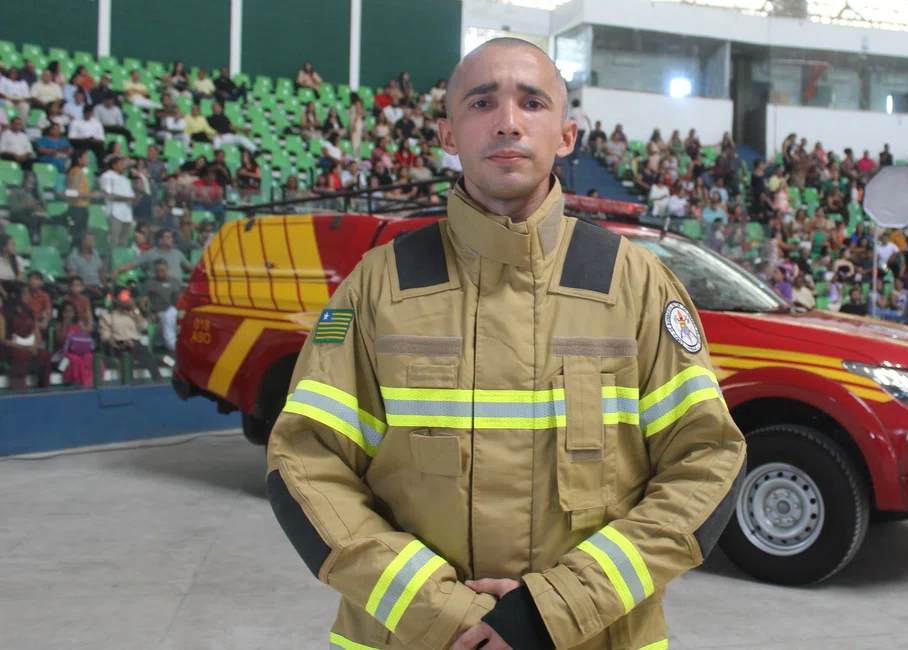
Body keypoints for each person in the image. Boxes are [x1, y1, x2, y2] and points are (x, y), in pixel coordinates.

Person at [264, 38, 745, 650]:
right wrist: (441, 613)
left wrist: (557, 609)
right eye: (482, 102)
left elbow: (708, 465)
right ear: (447, 133)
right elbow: (303, 466)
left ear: (566, 135)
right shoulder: (377, 286)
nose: (509, 122)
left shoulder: (635, 284)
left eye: (533, 102)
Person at [98, 288, 159, 381]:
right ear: (115, 299)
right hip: (118, 344)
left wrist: (134, 310)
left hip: (135, 343)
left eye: (128, 296)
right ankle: (128, 383)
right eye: (124, 296)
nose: (127, 299)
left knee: (147, 355)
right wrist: (115, 343)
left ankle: (158, 380)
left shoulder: (133, 313)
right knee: (127, 356)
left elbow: (143, 326)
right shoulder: (107, 315)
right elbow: (104, 336)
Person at [1, 284, 52, 392]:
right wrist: (23, 348)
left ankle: (44, 388)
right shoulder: (4, 312)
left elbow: (37, 334)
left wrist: (35, 346)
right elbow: (2, 339)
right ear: (16, 295)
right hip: (9, 348)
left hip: (28, 347)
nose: (28, 296)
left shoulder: (28, 311)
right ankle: (19, 389)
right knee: (20, 354)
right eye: (25, 293)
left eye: (28, 293)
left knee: (46, 355)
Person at [139, 259, 182, 354]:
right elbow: (142, 302)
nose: (160, 273)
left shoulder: (175, 282)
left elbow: (182, 298)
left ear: (167, 269)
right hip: (158, 313)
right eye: (157, 271)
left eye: (162, 270)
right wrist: (149, 314)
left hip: (175, 312)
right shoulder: (150, 283)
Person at [99, 156, 137, 257]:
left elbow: (133, 198)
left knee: (123, 244)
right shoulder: (107, 176)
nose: (124, 166)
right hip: (114, 213)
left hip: (127, 215)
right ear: (114, 165)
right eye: (121, 164)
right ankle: (108, 268)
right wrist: (127, 198)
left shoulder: (126, 180)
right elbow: (108, 195)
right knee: (113, 243)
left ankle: (118, 266)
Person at [54, 299, 94, 388]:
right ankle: (73, 382)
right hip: (63, 356)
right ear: (62, 313)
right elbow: (59, 340)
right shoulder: (59, 324)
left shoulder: (79, 325)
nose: (68, 314)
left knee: (89, 357)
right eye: (66, 311)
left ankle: (87, 383)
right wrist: (65, 324)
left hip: (79, 353)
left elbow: (87, 334)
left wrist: (89, 318)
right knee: (74, 359)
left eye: (70, 311)